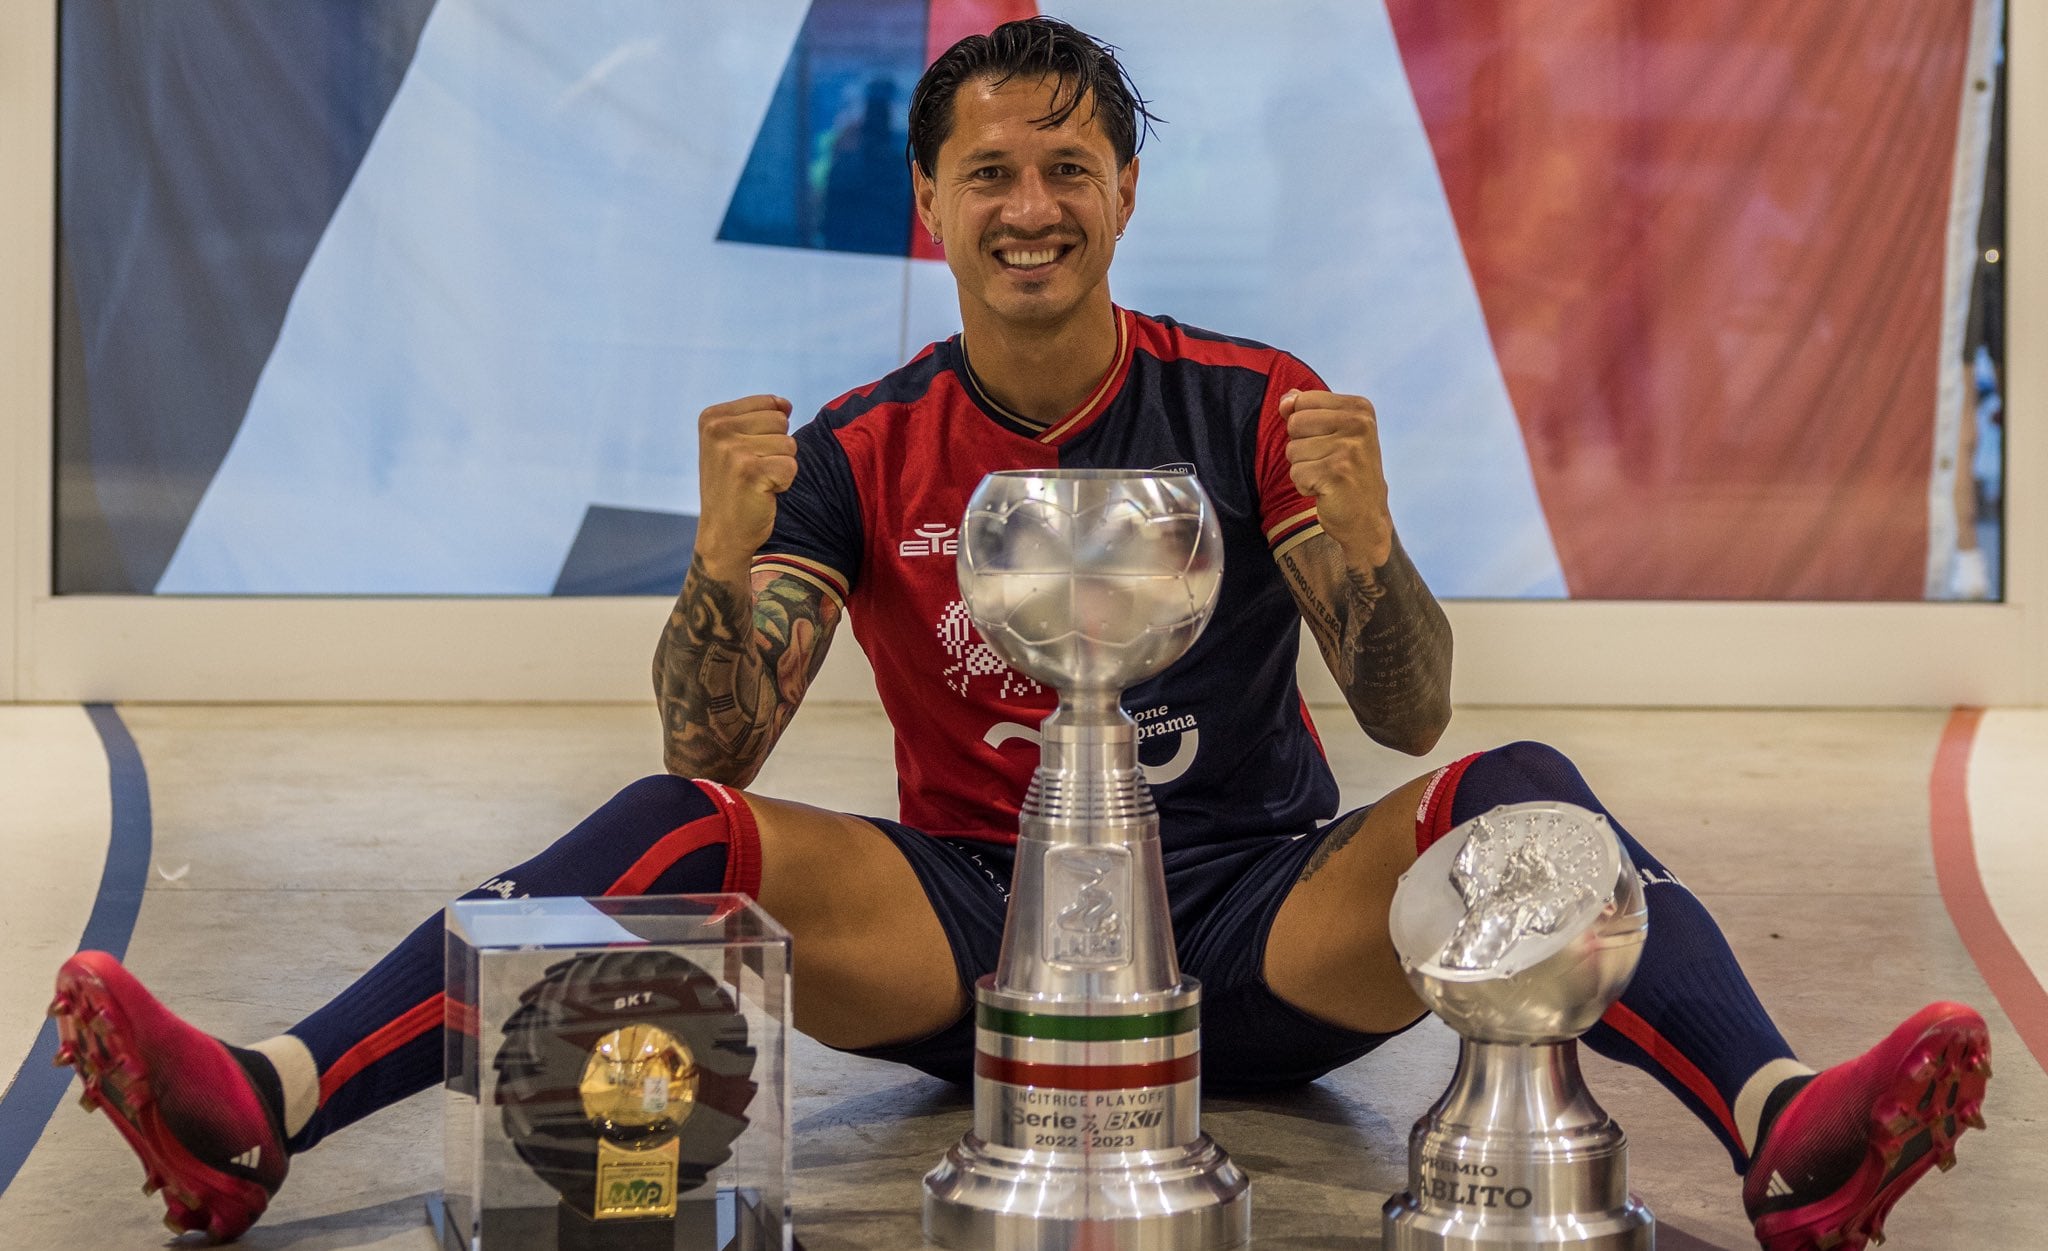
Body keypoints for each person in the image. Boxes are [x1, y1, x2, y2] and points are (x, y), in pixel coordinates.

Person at [52, 18, 1988, 1250]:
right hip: (978, 938)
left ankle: (1781, 1126)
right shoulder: (862, 445)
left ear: (1126, 192)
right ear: (931, 201)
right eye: (991, 171)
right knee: (674, 825)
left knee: (1523, 792)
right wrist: (716, 574)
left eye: (1069, 169)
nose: (1032, 205)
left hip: (1251, 923)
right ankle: (266, 1098)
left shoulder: (1248, 403)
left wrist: (1378, 549)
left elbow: (1408, 713)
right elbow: (716, 745)